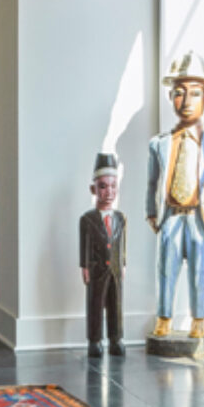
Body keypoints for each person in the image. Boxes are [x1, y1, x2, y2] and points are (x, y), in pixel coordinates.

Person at [146, 50, 204, 339]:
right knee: (166, 269)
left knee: (200, 273)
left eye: (194, 93)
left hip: (198, 219)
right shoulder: (160, 144)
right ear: (171, 97)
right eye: (179, 93)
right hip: (171, 217)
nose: (186, 101)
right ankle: (163, 318)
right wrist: (151, 213)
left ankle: (198, 320)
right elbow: (152, 181)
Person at [80, 151, 127, 358]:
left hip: (115, 269)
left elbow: (122, 243)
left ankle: (116, 339)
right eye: (103, 186)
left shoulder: (121, 218)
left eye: (113, 186)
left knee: (116, 304)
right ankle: (95, 340)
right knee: (95, 304)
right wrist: (84, 266)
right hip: (96, 268)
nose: (109, 192)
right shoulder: (87, 219)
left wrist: (123, 263)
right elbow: (84, 244)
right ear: (93, 189)